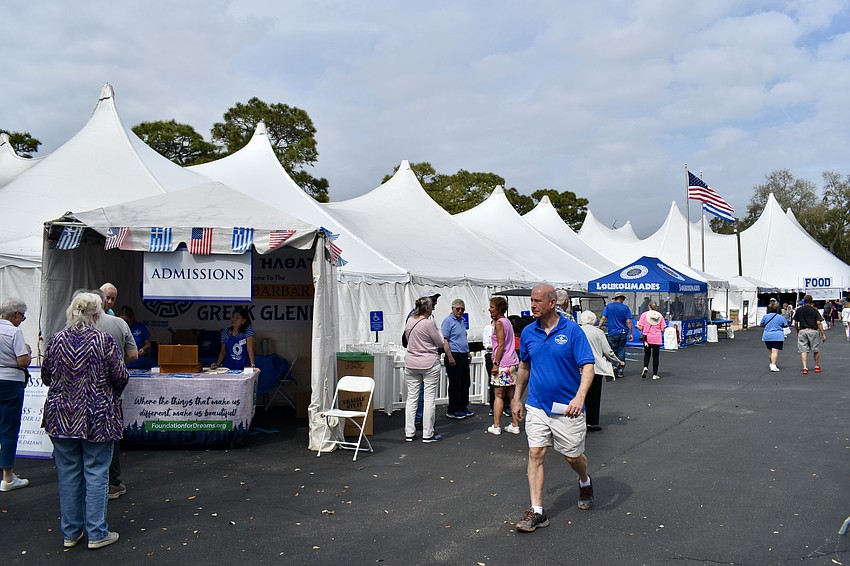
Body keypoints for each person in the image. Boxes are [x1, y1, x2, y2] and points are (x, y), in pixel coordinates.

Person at [41, 292, 128, 549]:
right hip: (97, 415)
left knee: (68, 474)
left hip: (60, 416)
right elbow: (121, 376)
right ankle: (97, 532)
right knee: (97, 472)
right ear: (98, 315)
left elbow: (47, 376)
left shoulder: (56, 340)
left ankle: (70, 532)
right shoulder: (103, 341)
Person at [511, 284, 595, 533]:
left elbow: (588, 366)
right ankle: (537, 511)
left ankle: (585, 480)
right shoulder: (528, 332)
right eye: (531, 300)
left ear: (552, 303)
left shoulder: (572, 331)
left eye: (537, 301)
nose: (533, 305)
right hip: (537, 405)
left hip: (567, 408)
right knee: (535, 454)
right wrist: (517, 398)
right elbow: (524, 367)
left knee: (572, 457)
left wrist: (579, 397)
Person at [91, 288, 137, 501]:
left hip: (80, 397)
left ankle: (91, 483)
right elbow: (133, 355)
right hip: (110, 393)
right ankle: (112, 483)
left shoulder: (72, 328)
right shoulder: (119, 324)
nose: (110, 301)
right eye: (108, 298)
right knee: (111, 437)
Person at [0, 298, 32, 492]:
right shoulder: (14, 331)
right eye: (22, 316)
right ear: (17, 314)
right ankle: (8, 477)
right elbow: (22, 361)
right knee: (9, 428)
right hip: (11, 381)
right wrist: (27, 351)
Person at [403, 297, 444, 443]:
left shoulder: (410, 321)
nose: (433, 308)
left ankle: (409, 432)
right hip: (429, 362)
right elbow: (440, 342)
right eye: (432, 306)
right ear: (427, 308)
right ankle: (428, 433)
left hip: (411, 362)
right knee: (428, 399)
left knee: (412, 399)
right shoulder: (428, 324)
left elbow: (407, 340)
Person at [578, 310, 624, 432]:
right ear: (594, 320)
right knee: (594, 395)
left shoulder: (576, 330)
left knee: (578, 394)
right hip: (595, 367)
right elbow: (607, 351)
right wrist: (618, 361)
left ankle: (578, 419)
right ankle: (591, 422)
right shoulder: (598, 332)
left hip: (578, 367)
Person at [486, 296, 520, 435]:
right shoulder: (507, 322)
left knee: (499, 395)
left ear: (499, 309)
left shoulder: (499, 323)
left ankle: (496, 425)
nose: (489, 309)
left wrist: (495, 363)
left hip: (503, 363)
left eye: (492, 307)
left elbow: (500, 345)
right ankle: (515, 424)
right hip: (512, 361)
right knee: (512, 395)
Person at [442, 299, 472, 419]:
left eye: (462, 309)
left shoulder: (461, 321)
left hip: (463, 354)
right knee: (455, 383)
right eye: (458, 309)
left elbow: (463, 337)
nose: (460, 311)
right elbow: (445, 340)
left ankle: (462, 407)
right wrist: (450, 357)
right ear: (452, 309)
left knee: (465, 382)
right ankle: (453, 409)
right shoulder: (448, 321)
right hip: (454, 354)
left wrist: (468, 352)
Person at [598, 293, 633, 379]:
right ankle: (620, 370)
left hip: (612, 332)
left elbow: (603, 318)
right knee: (621, 350)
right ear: (621, 299)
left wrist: (599, 327)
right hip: (623, 331)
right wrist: (631, 333)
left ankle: (613, 367)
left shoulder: (609, 307)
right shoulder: (625, 308)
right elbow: (628, 321)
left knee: (612, 351)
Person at [793, 294, 826, 374]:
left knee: (803, 350)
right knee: (815, 349)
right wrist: (823, 334)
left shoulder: (799, 310)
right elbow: (818, 322)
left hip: (803, 330)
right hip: (813, 330)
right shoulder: (814, 310)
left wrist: (798, 331)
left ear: (804, 301)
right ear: (812, 301)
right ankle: (816, 366)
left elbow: (796, 322)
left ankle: (805, 367)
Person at [637, 303, 666, 380]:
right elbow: (663, 329)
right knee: (655, 356)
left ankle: (645, 367)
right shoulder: (660, 316)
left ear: (649, 307)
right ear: (656, 307)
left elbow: (640, 327)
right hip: (657, 337)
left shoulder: (644, 315)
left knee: (647, 354)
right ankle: (655, 374)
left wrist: (637, 326)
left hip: (647, 337)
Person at [761, 303, 788, 372]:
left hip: (767, 335)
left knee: (770, 350)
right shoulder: (781, 317)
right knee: (775, 350)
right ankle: (773, 364)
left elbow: (762, 324)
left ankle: (771, 363)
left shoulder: (765, 316)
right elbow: (785, 325)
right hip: (777, 335)